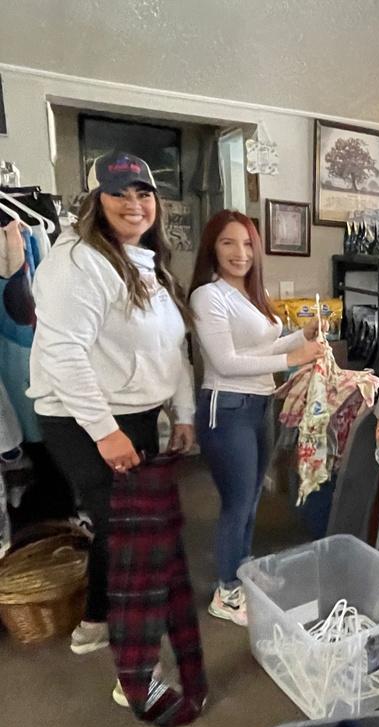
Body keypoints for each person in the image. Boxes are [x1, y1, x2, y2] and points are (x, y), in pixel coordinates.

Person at [28, 151, 196, 656]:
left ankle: (98, 616)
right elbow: (63, 353)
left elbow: (171, 347)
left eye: (143, 192)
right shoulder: (78, 263)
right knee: (131, 530)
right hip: (83, 418)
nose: (133, 202)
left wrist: (182, 412)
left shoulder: (147, 263)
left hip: (134, 414)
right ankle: (130, 645)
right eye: (117, 192)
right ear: (94, 201)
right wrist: (105, 432)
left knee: (118, 525)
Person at [188, 211, 321, 626]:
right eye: (228, 242)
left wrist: (302, 336)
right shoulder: (208, 296)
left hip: (260, 405)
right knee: (236, 503)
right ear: (212, 247)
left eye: (247, 244)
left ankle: (242, 570)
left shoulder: (250, 293)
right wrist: (292, 358)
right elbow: (225, 362)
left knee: (251, 500)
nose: (240, 253)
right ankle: (227, 591)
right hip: (226, 409)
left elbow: (260, 349)